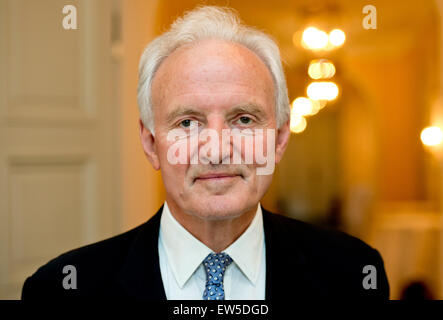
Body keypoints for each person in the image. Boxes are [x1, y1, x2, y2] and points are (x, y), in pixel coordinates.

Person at [21, 6, 389, 300]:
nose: (216, 149)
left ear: (278, 140)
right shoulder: (62, 289)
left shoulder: (353, 273)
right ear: (151, 144)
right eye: (187, 122)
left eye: (243, 119)